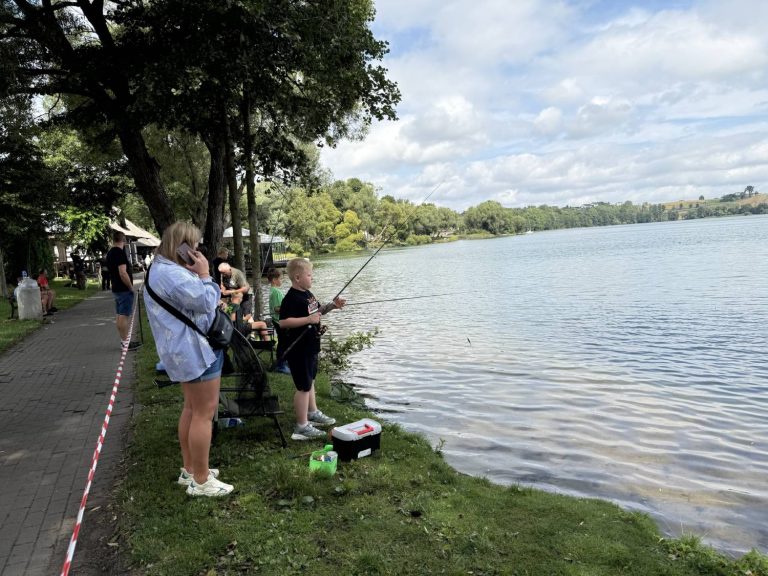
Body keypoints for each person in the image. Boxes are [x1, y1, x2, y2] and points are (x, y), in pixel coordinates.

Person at [143, 222, 234, 497]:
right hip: (195, 350)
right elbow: (206, 302)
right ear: (180, 246)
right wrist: (206, 275)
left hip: (182, 350)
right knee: (204, 413)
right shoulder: (172, 275)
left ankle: (191, 469)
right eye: (192, 245)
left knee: (192, 409)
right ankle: (202, 481)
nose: (196, 250)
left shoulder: (162, 269)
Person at [279, 258, 345, 440]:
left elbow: (317, 312)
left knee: (310, 381)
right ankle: (301, 425)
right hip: (298, 350)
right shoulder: (291, 298)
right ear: (298, 277)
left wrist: (332, 306)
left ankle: (313, 412)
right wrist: (308, 320)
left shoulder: (308, 294)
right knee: (303, 387)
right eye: (309, 275)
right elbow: (283, 322)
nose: (312, 278)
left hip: (310, 347)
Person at [106, 231, 141, 351]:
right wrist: (131, 287)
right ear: (124, 240)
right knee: (124, 316)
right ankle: (126, 343)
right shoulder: (120, 253)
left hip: (116, 288)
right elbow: (123, 272)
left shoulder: (110, 253)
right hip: (123, 289)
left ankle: (124, 341)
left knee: (119, 316)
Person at [267, 267, 290, 374]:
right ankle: (281, 365)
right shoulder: (276, 292)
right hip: (279, 321)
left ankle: (284, 362)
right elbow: (277, 308)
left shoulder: (273, 290)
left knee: (283, 342)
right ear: (274, 280)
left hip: (277, 321)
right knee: (283, 343)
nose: (282, 281)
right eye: (280, 278)